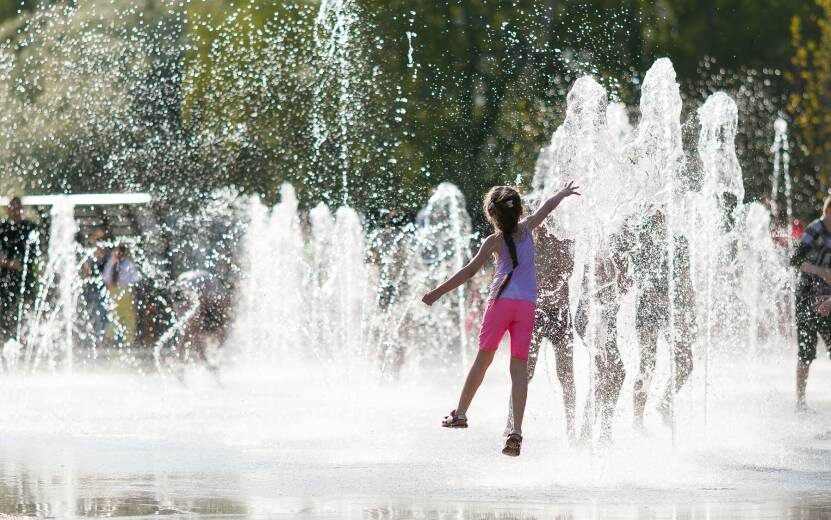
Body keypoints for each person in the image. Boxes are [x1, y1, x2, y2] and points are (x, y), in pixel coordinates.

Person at [422, 181, 581, 457]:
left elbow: (468, 272)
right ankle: (516, 432)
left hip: (500, 305)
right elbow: (547, 207)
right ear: (519, 211)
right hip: (526, 308)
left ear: (492, 215)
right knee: (519, 371)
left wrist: (436, 293)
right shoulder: (529, 228)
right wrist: (563, 193)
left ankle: (460, 413)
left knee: (482, 361)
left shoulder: (493, 241)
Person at [505, 218, 576, 440]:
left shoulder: (565, 241)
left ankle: (571, 426)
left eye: (549, 220)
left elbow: (567, 272)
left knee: (566, 373)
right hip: (533, 314)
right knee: (525, 372)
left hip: (560, 314)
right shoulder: (527, 243)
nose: (544, 225)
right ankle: (511, 424)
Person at [631, 208, 696, 430]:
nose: (660, 214)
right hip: (649, 309)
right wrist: (667, 302)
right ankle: (637, 420)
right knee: (647, 365)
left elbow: (686, 277)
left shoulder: (679, 240)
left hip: (674, 308)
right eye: (654, 211)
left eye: (663, 210)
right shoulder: (641, 241)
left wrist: (690, 308)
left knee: (686, 362)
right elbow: (642, 283)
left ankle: (666, 402)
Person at [574, 233, 631, 442]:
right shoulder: (604, 250)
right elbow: (590, 290)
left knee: (611, 373)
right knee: (608, 373)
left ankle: (596, 431)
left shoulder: (617, 253)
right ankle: (594, 431)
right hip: (593, 320)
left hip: (602, 321)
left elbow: (621, 289)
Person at [790, 194, 831, 411]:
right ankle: (800, 401)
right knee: (806, 351)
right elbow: (795, 260)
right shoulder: (814, 230)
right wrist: (820, 272)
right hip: (807, 297)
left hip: (829, 300)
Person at [0, 197, 37, 343]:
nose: (14, 211)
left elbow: (34, 252)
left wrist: (21, 263)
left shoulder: (29, 228)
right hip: (4, 279)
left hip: (24, 278)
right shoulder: (2, 228)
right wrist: (8, 263)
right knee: (4, 308)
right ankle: (5, 337)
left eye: (17, 207)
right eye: (12, 207)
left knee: (25, 308)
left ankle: (23, 337)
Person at [103, 243, 139, 346]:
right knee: (114, 316)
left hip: (126, 290)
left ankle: (129, 340)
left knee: (128, 317)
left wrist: (133, 293)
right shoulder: (111, 263)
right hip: (113, 290)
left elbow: (134, 279)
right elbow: (106, 278)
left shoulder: (129, 264)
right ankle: (110, 339)